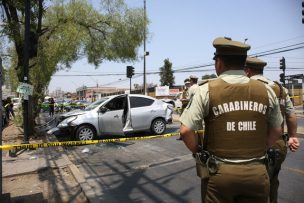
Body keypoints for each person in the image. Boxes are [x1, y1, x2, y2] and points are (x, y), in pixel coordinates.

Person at [179, 37, 283, 203]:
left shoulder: (206, 90)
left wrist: (198, 151)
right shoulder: (266, 91)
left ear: (219, 62)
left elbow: (185, 131)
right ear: (243, 64)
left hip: (219, 175)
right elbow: (277, 130)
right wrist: (259, 148)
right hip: (257, 174)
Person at [244, 56, 300, 203]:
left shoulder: (248, 86)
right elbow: (291, 115)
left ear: (247, 70)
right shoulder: (280, 88)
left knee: (255, 190)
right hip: (279, 144)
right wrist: (293, 136)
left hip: (257, 145)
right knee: (273, 182)